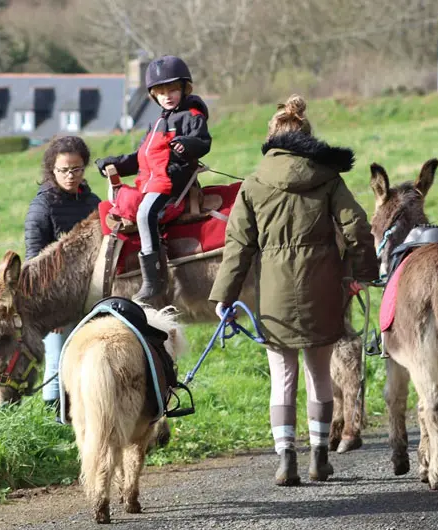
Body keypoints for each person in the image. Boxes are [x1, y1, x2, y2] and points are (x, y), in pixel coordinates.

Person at [208, 95, 380, 486]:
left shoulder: (252, 185)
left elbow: (238, 247)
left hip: (274, 296)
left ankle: (287, 459)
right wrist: (363, 272)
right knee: (319, 374)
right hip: (322, 288)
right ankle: (320, 457)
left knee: (282, 376)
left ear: (271, 139)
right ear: (309, 140)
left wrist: (225, 297)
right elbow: (355, 225)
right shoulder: (328, 180)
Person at [96, 55, 212, 303]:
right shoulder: (158, 122)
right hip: (151, 181)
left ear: (184, 89)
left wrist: (186, 145)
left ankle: (154, 281)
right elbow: (140, 157)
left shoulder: (192, 116)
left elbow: (203, 142)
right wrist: (113, 163)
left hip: (173, 182)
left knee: (144, 213)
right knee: (121, 203)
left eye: (172, 90)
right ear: (154, 96)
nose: (167, 96)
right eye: (161, 92)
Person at [24, 136, 102, 409]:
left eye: (77, 169)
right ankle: (55, 419)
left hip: (91, 296)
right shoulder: (41, 208)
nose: (71, 176)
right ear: (51, 170)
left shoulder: (93, 201)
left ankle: (81, 413)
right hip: (56, 301)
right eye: (63, 170)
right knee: (59, 359)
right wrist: (49, 307)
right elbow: (34, 264)